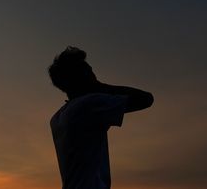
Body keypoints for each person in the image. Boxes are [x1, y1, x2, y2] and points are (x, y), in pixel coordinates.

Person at [48, 46, 154, 189]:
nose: (94, 76)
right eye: (90, 72)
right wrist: (99, 86)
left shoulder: (57, 118)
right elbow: (145, 99)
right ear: (81, 77)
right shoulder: (88, 105)